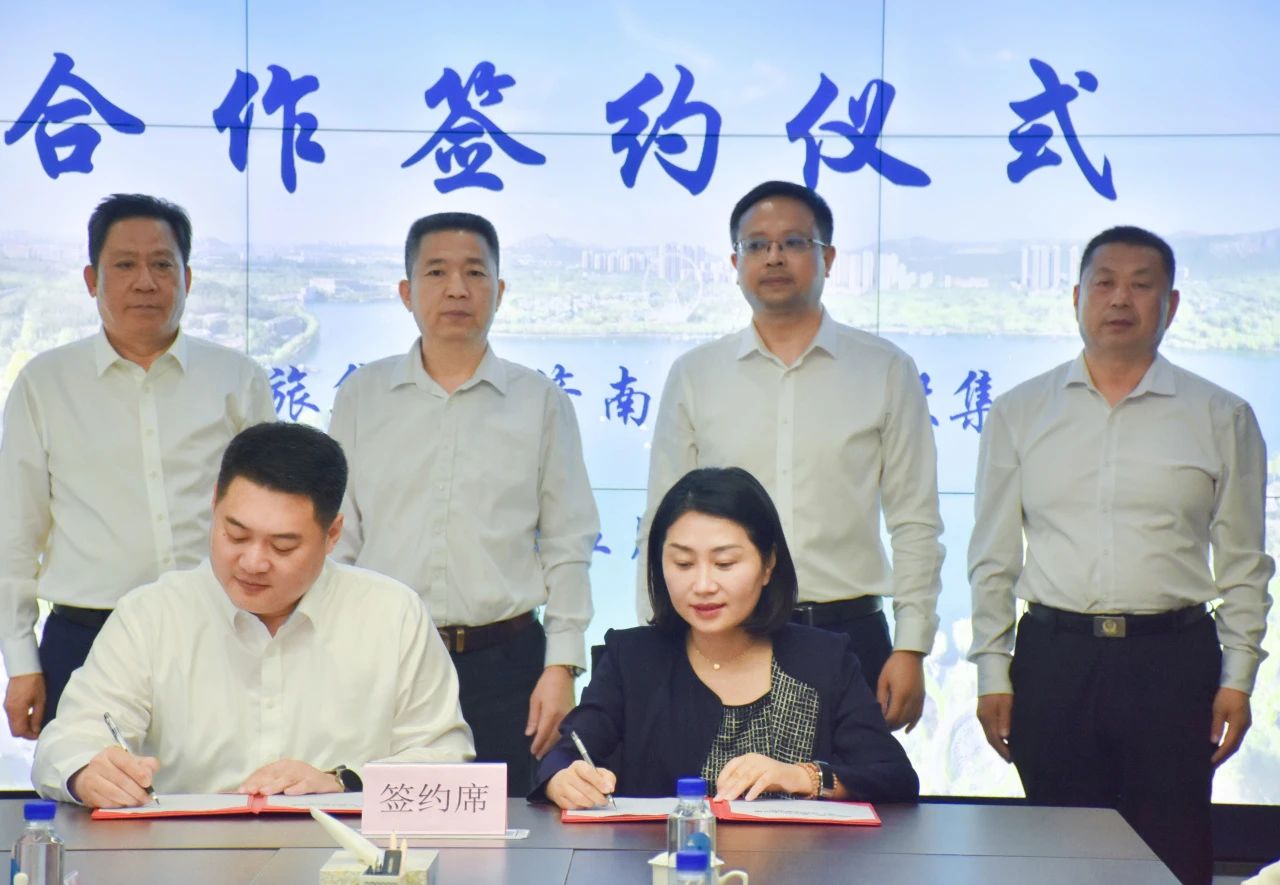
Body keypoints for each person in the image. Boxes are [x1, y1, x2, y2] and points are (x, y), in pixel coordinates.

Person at [968, 226, 1274, 885]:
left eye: (1142, 285)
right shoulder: (1021, 412)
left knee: (1173, 855)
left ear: (1172, 304)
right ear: (1076, 297)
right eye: (1104, 282)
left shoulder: (1221, 415)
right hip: (1055, 660)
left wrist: (1238, 678)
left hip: (1173, 663)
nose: (1120, 298)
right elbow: (992, 557)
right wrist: (993, 671)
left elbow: (1246, 565)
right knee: (1058, 856)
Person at [31, 421, 474, 808]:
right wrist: (88, 771)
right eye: (236, 535)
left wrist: (344, 783)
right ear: (214, 505)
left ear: (333, 534)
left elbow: (445, 762)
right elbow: (68, 740)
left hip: (345, 858)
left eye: (283, 546)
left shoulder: (391, 614)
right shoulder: (152, 615)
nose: (253, 562)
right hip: (186, 857)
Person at [640, 180, 944, 733]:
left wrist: (912, 645)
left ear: (828, 257)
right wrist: (656, 639)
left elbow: (915, 522)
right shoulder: (696, 375)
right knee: (718, 786)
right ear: (735, 263)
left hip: (849, 635)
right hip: (721, 638)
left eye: (794, 242)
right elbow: (662, 523)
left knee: (849, 786)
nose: (774, 257)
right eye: (756, 245)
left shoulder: (885, 370)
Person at [328, 212, 598, 794]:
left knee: (512, 827)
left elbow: (567, 542)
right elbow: (339, 541)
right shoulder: (362, 396)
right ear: (406, 292)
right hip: (386, 659)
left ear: (500, 290)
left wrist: (562, 665)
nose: (457, 288)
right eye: (437, 272)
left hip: (508, 665)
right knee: (382, 820)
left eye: (475, 273)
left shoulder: (540, 402)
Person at [0, 193, 275, 738]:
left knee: (227, 787)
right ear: (91, 279)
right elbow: (15, 533)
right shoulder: (45, 384)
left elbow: (272, 516)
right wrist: (21, 659)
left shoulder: (237, 379)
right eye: (124, 265)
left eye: (162, 265)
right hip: (87, 637)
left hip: (219, 630)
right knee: (89, 786)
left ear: (187, 279)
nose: (145, 282)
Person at [536, 467, 920, 809]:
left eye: (724, 563)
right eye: (683, 563)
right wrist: (562, 779)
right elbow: (564, 755)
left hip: (797, 861)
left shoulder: (823, 659)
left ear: (768, 564)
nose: (703, 585)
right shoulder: (632, 658)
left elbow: (894, 777)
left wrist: (801, 776)